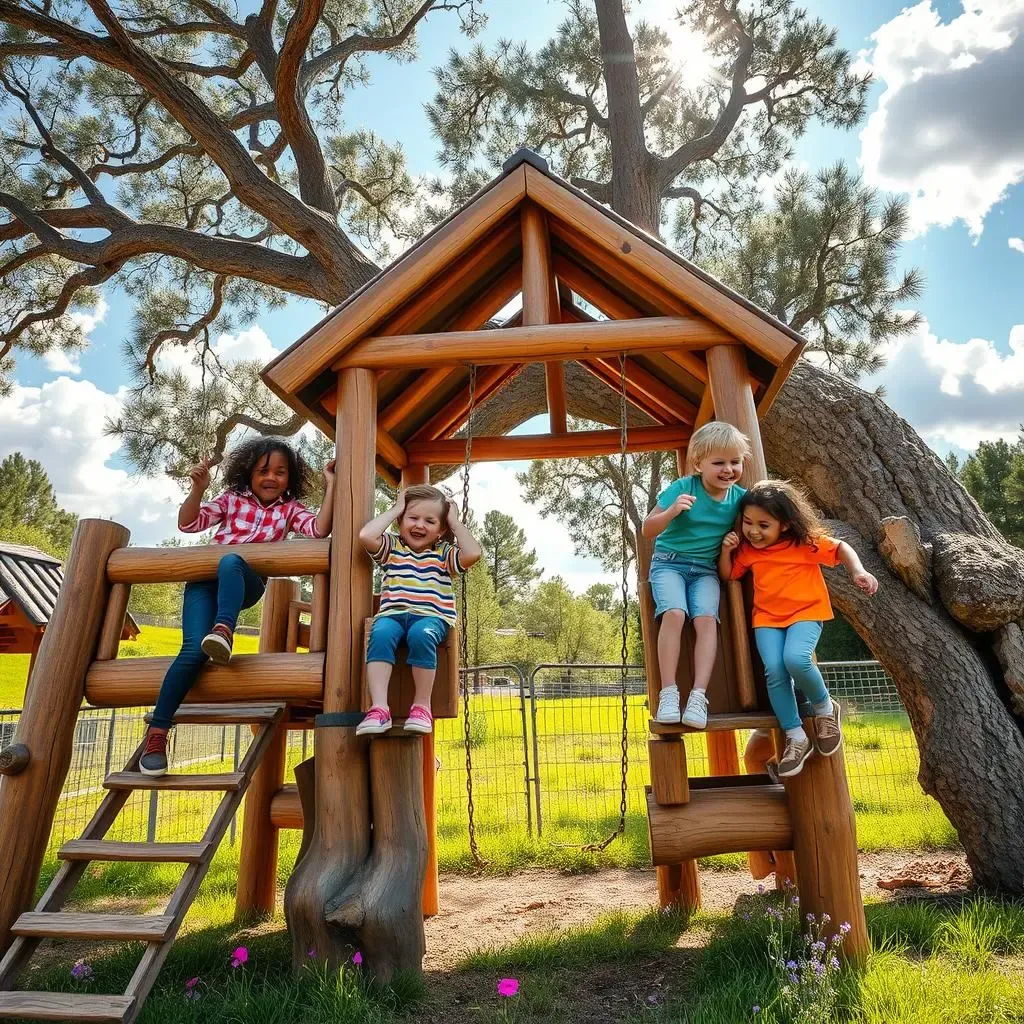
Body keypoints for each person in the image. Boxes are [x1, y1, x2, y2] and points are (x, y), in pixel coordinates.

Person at [139, 439, 335, 776]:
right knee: (191, 652)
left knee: (232, 560)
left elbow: (318, 530)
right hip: (204, 582)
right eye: (263, 470)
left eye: (280, 472)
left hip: (245, 582)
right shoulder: (231, 500)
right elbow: (189, 524)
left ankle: (224, 629)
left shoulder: (288, 509)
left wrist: (331, 485)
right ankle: (157, 735)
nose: (270, 477)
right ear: (249, 472)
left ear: (290, 478)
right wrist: (198, 489)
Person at [719, 480, 878, 777]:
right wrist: (727, 552)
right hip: (766, 618)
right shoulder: (749, 550)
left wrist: (859, 571)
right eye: (748, 522)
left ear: (786, 525)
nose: (753, 531)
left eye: (764, 525)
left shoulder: (804, 544)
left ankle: (825, 709)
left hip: (805, 613)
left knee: (796, 659)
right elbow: (730, 576)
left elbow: (841, 547)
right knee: (775, 671)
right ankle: (796, 736)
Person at [642, 421, 751, 729]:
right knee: (674, 613)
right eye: (719, 462)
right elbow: (648, 529)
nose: (728, 469)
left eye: (735, 462)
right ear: (698, 463)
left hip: (706, 570)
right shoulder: (683, 488)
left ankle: (698, 696)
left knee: (705, 620)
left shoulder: (739, 499)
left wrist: (733, 543)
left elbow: (751, 527)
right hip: (669, 563)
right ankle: (668, 692)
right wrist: (672, 510)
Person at [356, 484, 481, 736]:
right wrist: (395, 509)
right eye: (412, 518)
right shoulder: (393, 547)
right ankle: (379, 708)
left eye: (430, 521)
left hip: (432, 617)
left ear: (441, 528)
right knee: (379, 635)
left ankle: (422, 706)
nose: (419, 525)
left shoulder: (444, 554)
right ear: (401, 521)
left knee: (421, 635)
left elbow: (473, 552)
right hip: (392, 615)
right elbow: (366, 536)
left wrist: (454, 522)